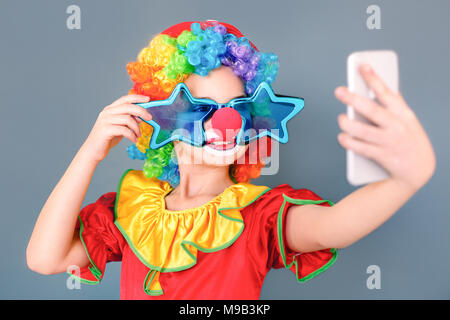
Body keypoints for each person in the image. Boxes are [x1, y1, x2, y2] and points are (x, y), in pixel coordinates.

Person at [26, 20, 436, 300]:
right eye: (199, 108)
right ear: (160, 121)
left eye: (236, 108)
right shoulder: (131, 212)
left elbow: (335, 228)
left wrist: (407, 179)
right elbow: (45, 258)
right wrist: (90, 153)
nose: (222, 123)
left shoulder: (259, 216)